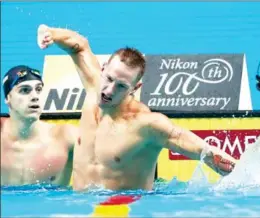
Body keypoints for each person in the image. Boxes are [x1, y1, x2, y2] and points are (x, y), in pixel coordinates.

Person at [37, 24, 238, 191]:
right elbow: (79, 45)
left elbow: (206, 152)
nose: (108, 91)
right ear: (104, 67)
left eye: (121, 87)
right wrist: (50, 33)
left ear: (135, 88)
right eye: (108, 79)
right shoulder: (93, 85)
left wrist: (242, 173)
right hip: (78, 205)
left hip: (125, 208)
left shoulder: (145, 124)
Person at [1, 65, 78, 186]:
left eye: (38, 89)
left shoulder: (65, 137)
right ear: (7, 98)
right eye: (25, 90)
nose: (35, 97)